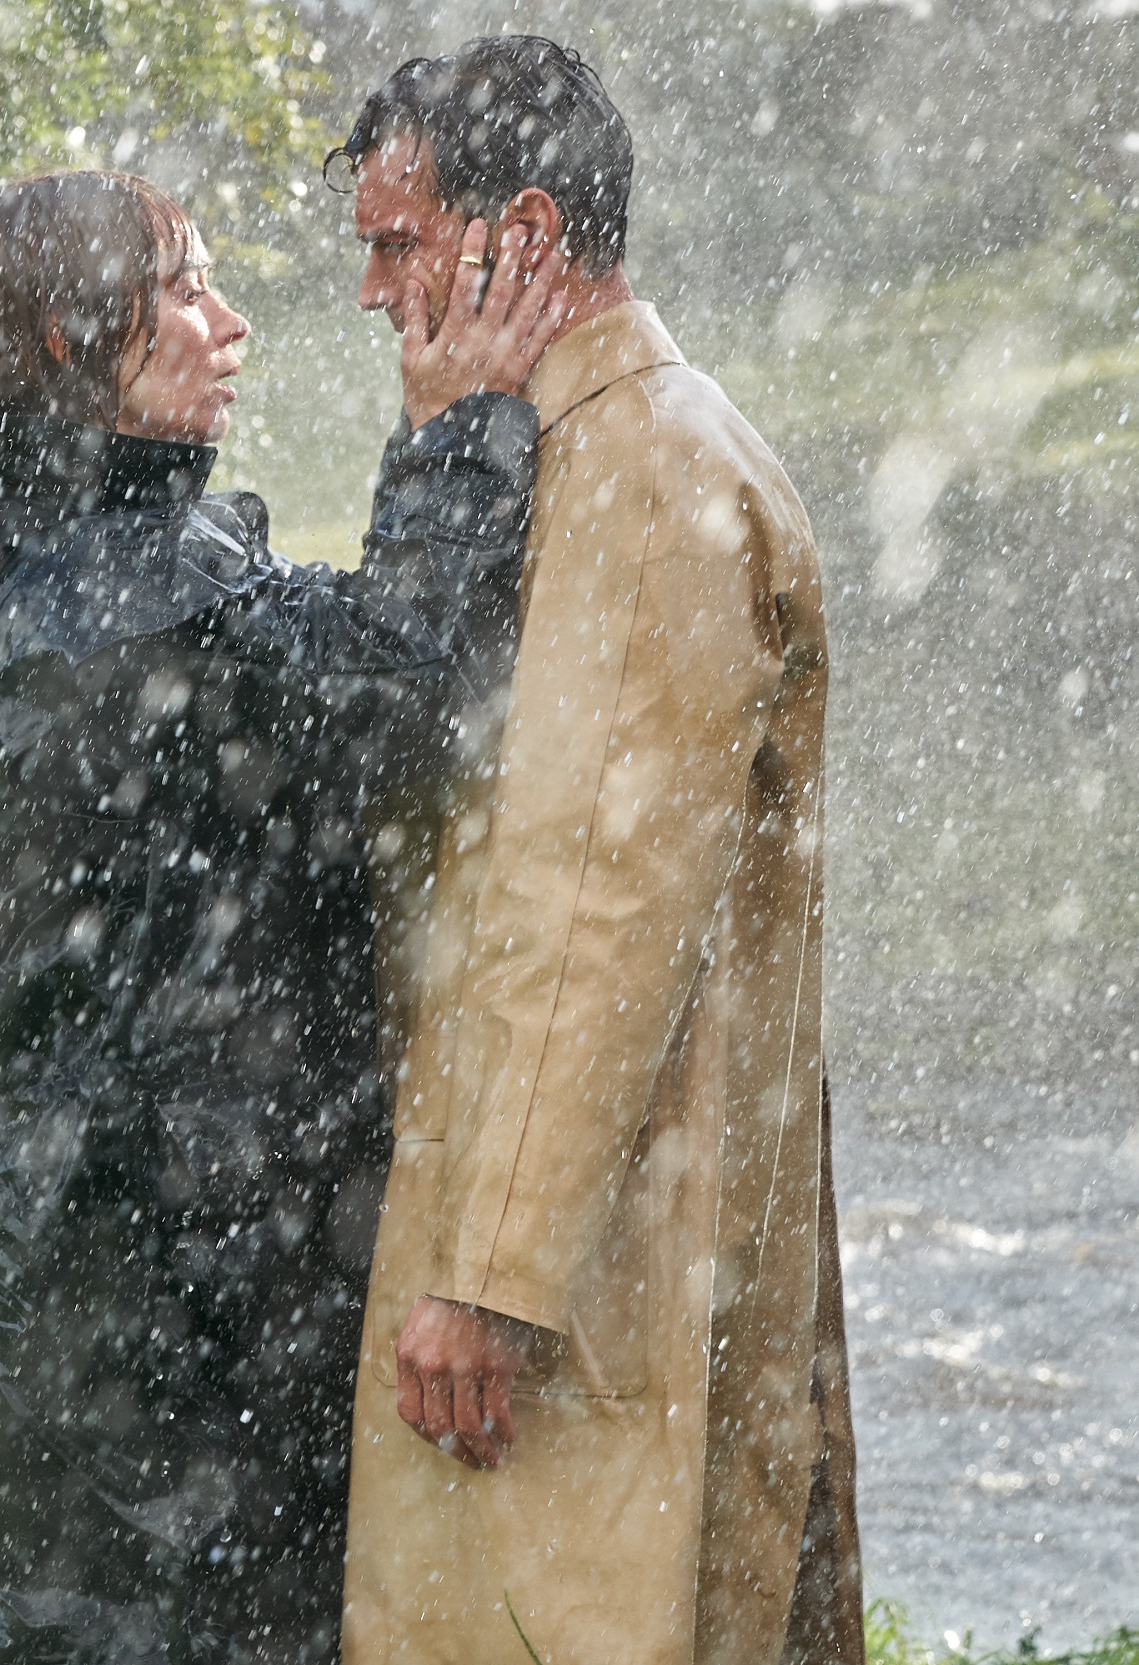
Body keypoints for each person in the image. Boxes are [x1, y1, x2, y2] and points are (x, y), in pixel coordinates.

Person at [0, 170, 564, 1665]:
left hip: (76, 1306)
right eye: (183, 290)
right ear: (71, 340)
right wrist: (456, 432)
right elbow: (417, 691)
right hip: (202, 1317)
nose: (230, 323)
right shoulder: (127, 593)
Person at [326, 38, 864, 1665]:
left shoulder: (637, 464)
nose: (370, 290)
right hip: (589, 1221)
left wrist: (492, 1273)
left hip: (594, 1267)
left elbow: (594, 899)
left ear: (528, 235)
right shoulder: (564, 444)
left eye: (397, 243)